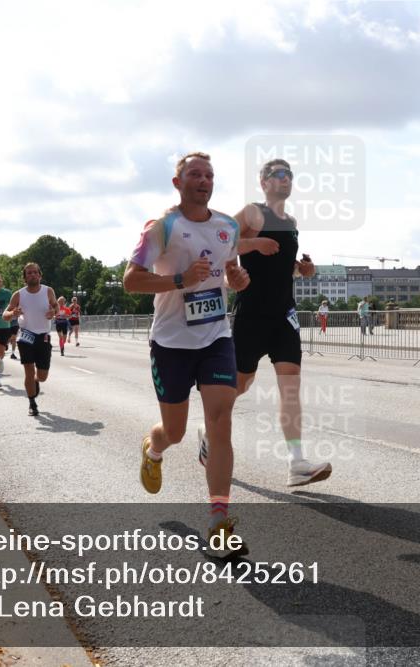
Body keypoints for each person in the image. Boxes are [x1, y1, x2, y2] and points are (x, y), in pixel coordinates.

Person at [123, 151, 251, 556]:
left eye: (209, 174)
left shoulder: (227, 227)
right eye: (194, 174)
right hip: (171, 343)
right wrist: (179, 279)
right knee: (174, 431)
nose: (203, 179)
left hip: (216, 337)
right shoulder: (163, 227)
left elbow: (232, 273)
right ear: (178, 183)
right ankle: (154, 448)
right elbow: (130, 281)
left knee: (220, 418)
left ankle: (219, 522)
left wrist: (239, 279)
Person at [201, 158, 330, 488]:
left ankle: (297, 463)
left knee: (290, 388)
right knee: (240, 385)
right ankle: (209, 433)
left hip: (284, 315)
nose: (286, 179)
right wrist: (253, 243)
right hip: (251, 314)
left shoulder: (291, 220)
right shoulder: (252, 213)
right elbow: (215, 240)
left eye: (290, 175)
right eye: (279, 174)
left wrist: (304, 270)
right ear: (264, 181)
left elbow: (282, 266)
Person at [2, 263, 58, 416]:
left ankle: (36, 380)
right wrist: (13, 312)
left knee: (42, 376)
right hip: (26, 336)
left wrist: (53, 311)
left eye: (35, 272)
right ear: (25, 277)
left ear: (40, 275)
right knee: (28, 370)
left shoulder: (48, 291)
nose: (32, 275)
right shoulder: (18, 294)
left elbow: (56, 306)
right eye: (29, 273)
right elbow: (5, 315)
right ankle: (32, 403)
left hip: (43, 336)